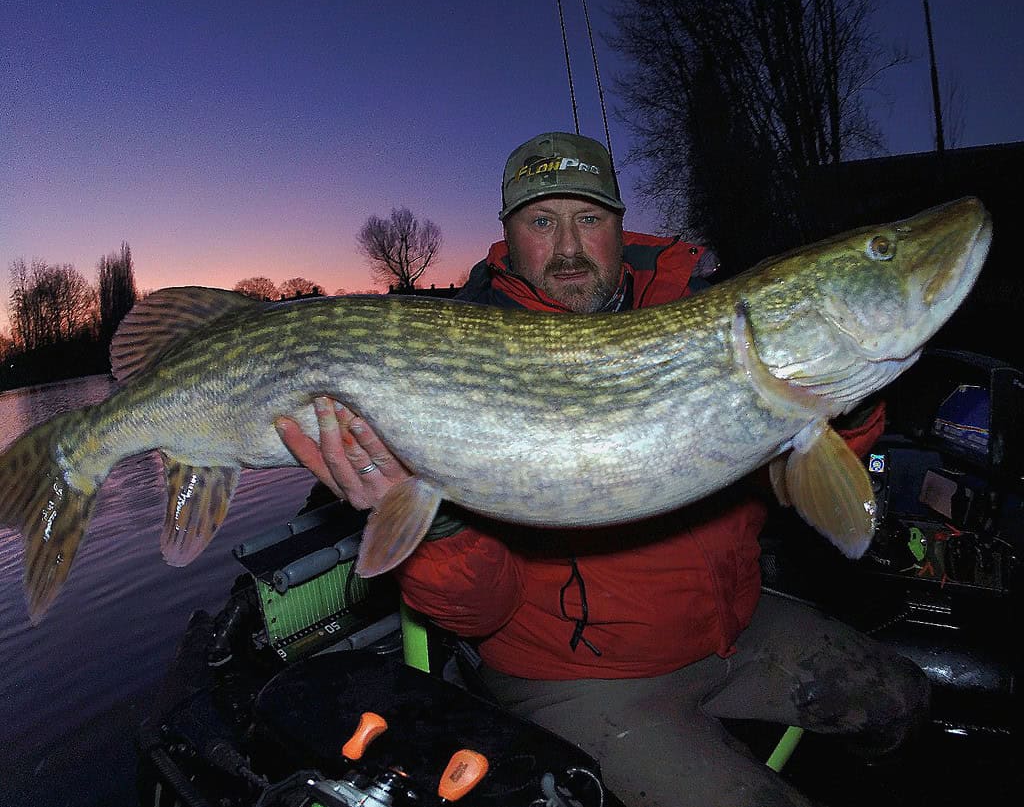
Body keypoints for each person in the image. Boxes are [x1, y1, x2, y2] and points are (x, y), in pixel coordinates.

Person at [274, 132, 930, 807]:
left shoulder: (697, 309)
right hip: (577, 680)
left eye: (587, 219)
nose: (566, 248)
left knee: (905, 698)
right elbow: (478, 612)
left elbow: (791, 479)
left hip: (733, 628)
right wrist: (434, 526)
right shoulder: (455, 353)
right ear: (508, 235)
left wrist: (849, 400)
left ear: (619, 226)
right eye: (540, 222)